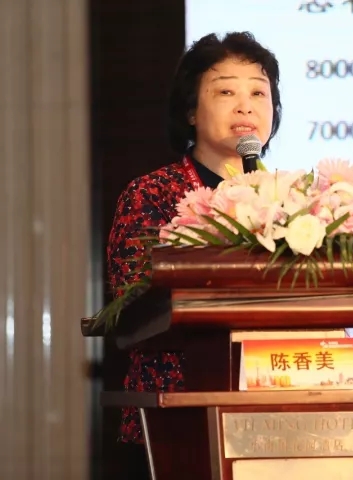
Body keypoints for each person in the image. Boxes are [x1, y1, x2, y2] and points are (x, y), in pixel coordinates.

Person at [106, 31, 282, 479]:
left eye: (258, 93)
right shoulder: (152, 194)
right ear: (190, 110)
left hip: (278, 412)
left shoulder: (294, 200)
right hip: (176, 418)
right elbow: (133, 305)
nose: (245, 107)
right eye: (225, 92)